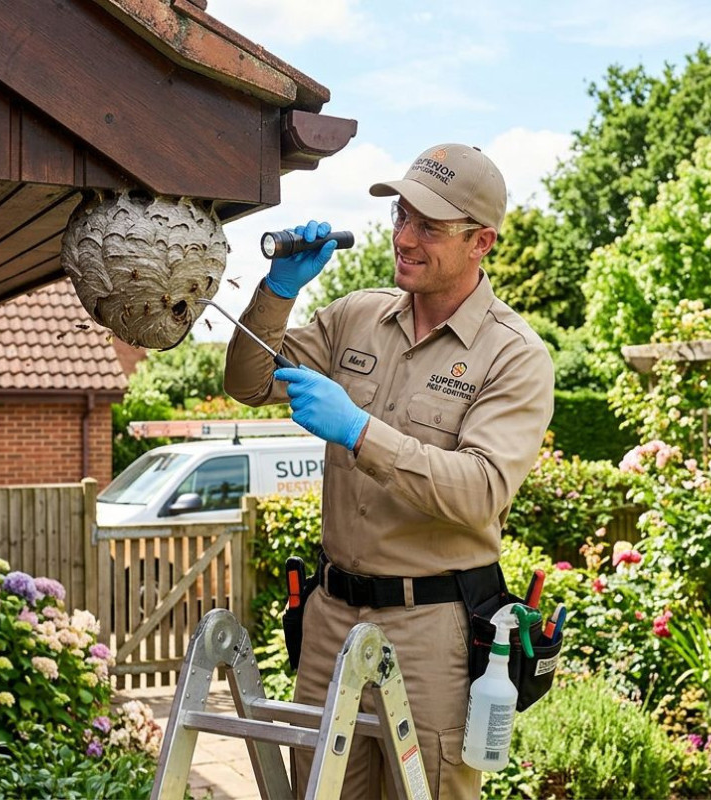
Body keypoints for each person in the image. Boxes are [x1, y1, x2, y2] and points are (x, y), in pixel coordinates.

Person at [223, 143, 554, 798]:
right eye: (402, 216)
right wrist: (277, 291)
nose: (403, 237)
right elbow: (246, 380)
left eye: (428, 227)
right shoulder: (354, 317)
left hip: (433, 634)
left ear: (481, 241)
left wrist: (360, 432)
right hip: (331, 618)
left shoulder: (514, 357)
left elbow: (481, 491)